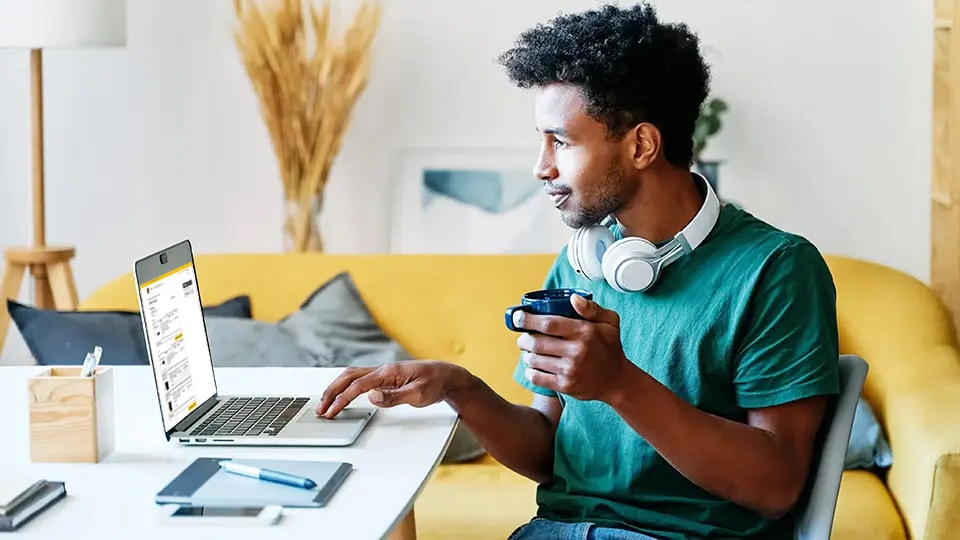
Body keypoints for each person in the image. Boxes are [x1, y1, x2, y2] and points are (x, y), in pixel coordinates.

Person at [316, 3, 840, 539]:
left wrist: (619, 384)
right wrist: (460, 388)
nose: (541, 166)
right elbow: (550, 451)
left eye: (560, 141)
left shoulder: (775, 268)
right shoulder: (580, 260)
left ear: (640, 145)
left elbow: (776, 486)